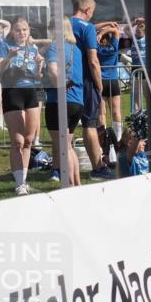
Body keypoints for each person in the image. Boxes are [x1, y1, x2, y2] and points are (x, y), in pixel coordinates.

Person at [0, 17, 44, 195]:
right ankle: (19, 183)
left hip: (30, 92)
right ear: (12, 32)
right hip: (12, 91)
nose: (21, 33)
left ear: (28, 31)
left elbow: (38, 76)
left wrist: (39, 65)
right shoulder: (4, 46)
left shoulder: (33, 49)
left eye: (24, 29)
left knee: (29, 140)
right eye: (18, 30)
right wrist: (9, 57)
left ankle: (24, 181)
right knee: (18, 141)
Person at [70, 0, 113, 179]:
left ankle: (60, 168)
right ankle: (97, 167)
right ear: (88, 10)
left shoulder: (64, 24)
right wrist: (99, 83)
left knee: (66, 128)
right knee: (90, 123)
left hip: (65, 80)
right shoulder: (86, 27)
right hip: (86, 79)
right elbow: (93, 60)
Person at [43, 19, 84, 188]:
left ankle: (68, 184)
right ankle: (77, 183)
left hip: (59, 100)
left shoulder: (54, 47)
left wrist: (55, 81)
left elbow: (53, 70)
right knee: (68, 145)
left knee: (63, 146)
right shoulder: (77, 49)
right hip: (77, 101)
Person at [95, 21, 124, 144]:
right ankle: (118, 137)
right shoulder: (114, 45)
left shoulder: (95, 47)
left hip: (100, 81)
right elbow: (116, 31)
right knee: (116, 111)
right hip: (112, 81)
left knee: (101, 113)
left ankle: (104, 139)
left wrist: (100, 31)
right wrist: (106, 29)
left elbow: (92, 27)